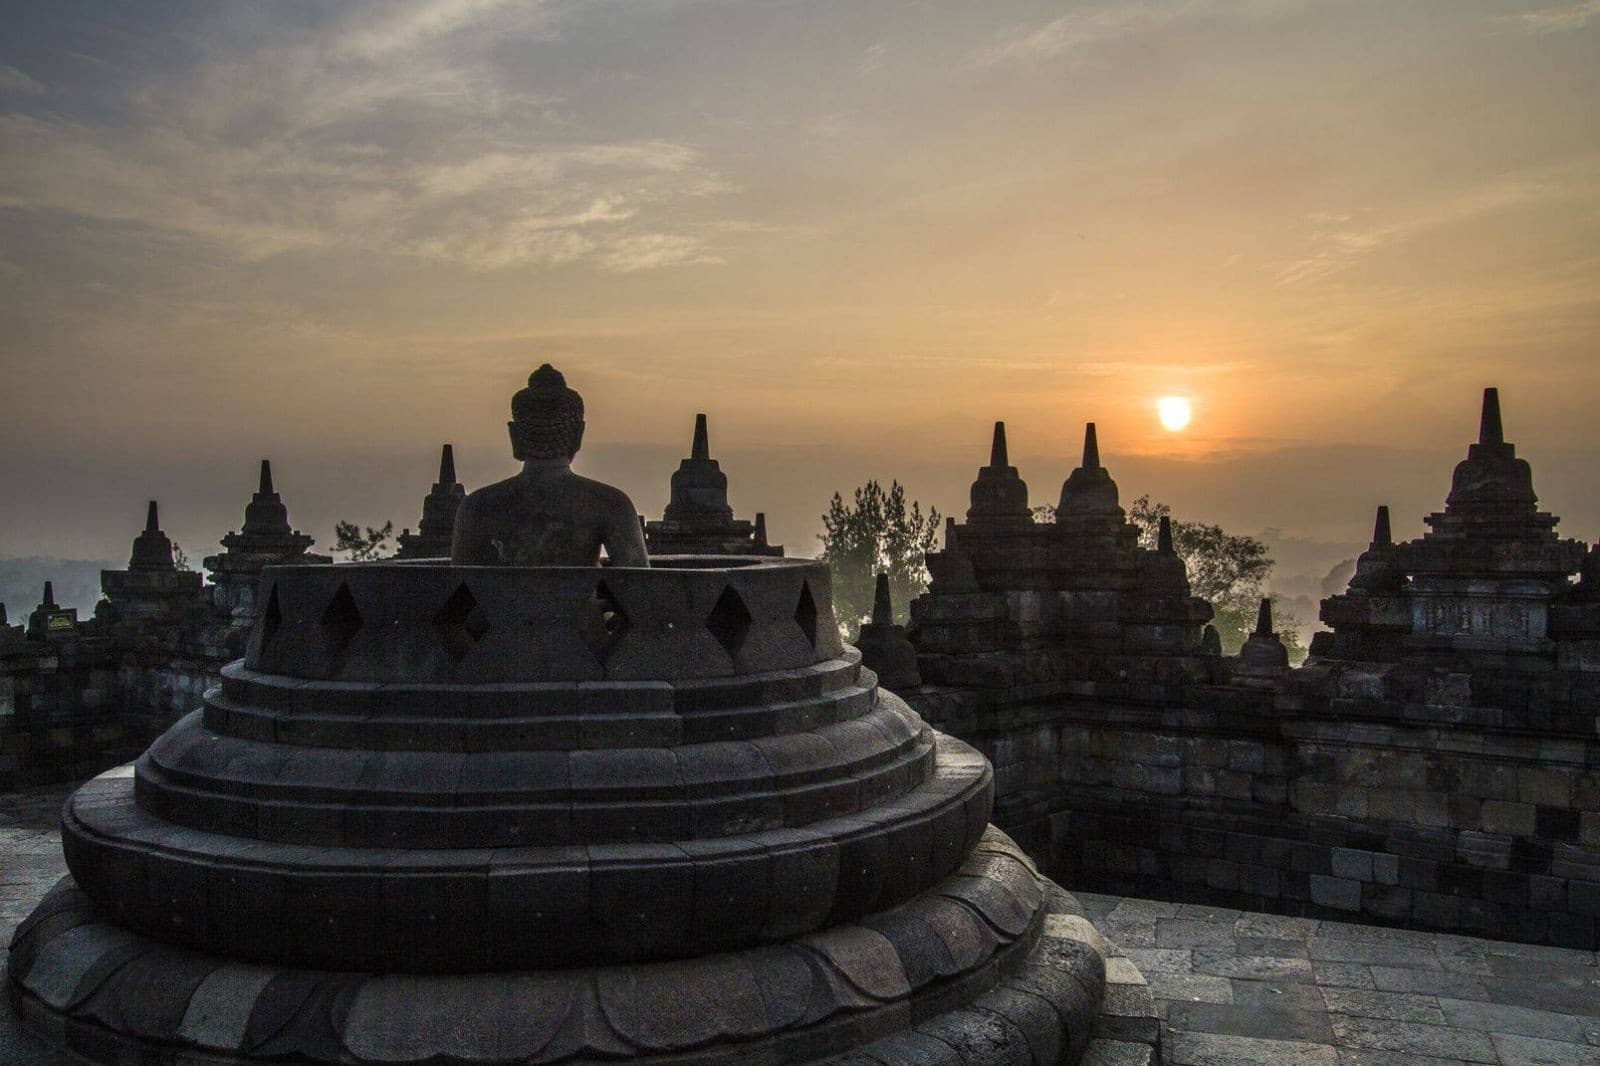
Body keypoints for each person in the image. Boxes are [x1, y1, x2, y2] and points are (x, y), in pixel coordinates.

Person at [450, 364, 650, 567]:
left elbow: (459, 591)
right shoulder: (611, 504)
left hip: (503, 600)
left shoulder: (477, 507)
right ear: (578, 434)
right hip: (581, 600)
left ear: (515, 434)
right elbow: (639, 589)